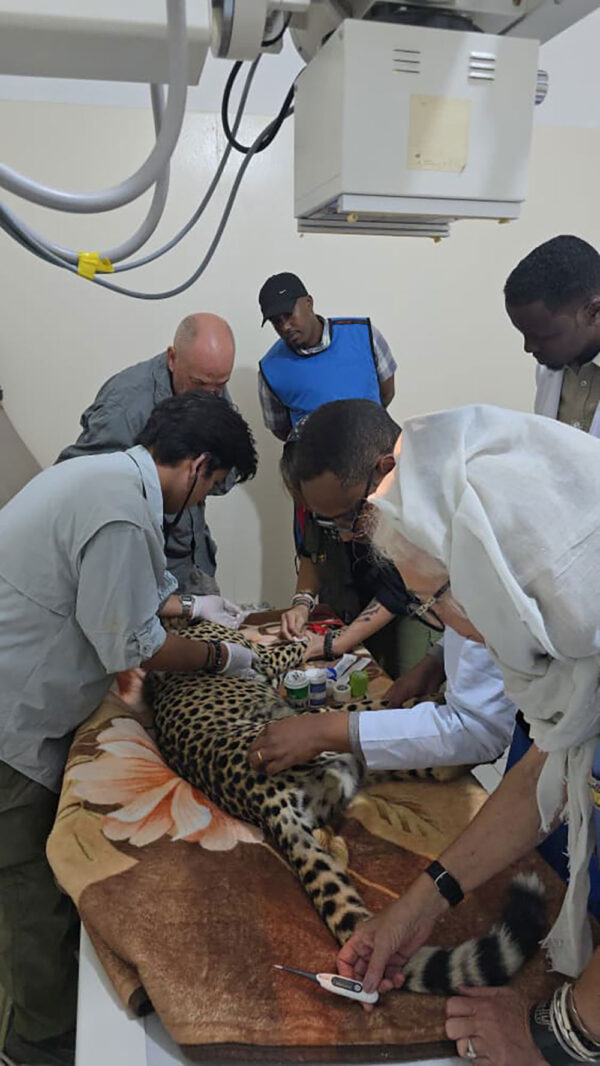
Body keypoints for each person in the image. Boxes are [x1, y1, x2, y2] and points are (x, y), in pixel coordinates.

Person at [323, 403, 600, 1066]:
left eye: (442, 595)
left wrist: (558, 1036)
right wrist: (418, 907)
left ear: (506, 565)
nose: (452, 626)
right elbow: (546, 772)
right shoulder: (581, 644)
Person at [0, 391, 257, 1066]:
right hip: (11, 716)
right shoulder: (119, 507)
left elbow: (131, 589)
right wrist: (221, 657)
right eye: (213, 488)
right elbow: (132, 644)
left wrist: (191, 606)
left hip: (20, 696)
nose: (203, 502)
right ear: (198, 465)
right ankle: (37, 1044)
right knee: (31, 888)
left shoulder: (109, 479)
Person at [249, 401, 516, 777]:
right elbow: (478, 629)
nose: (345, 536)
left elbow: (478, 730)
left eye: (348, 516)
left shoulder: (475, 526)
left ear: (386, 470)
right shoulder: (432, 492)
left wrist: (324, 731)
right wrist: (438, 659)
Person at [57, 312, 237, 594]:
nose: (210, 395)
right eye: (200, 384)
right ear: (172, 359)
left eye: (220, 384)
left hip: (193, 560)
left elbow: (224, 475)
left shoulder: (210, 384)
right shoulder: (126, 406)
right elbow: (81, 490)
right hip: (139, 572)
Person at [278, 428, 433, 680]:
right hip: (352, 608)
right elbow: (313, 550)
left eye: (344, 516)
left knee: (404, 685)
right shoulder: (322, 496)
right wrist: (302, 603)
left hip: (410, 614)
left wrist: (336, 643)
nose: (343, 535)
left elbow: (397, 588)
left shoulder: (401, 504)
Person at [257, 271, 396, 441]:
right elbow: (281, 430)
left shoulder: (365, 334)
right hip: (315, 456)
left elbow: (387, 393)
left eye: (289, 315)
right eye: (276, 321)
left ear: (309, 302)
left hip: (375, 447)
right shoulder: (270, 369)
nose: (285, 326)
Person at [505, 234, 600, 438]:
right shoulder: (550, 369)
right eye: (525, 333)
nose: (529, 347)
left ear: (593, 312)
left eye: (543, 336)